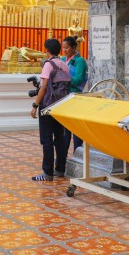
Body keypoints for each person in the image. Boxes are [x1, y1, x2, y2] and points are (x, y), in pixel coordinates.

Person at [29, 38, 72, 182]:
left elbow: (43, 87)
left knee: (46, 140)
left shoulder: (48, 64)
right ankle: (60, 169)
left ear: (47, 50)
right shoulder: (64, 65)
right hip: (61, 106)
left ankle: (47, 172)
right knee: (59, 138)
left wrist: (35, 105)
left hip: (47, 106)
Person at [62, 36, 88, 152]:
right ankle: (62, 156)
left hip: (75, 96)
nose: (65, 50)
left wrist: (64, 80)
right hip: (63, 96)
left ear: (73, 47)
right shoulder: (63, 60)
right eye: (63, 48)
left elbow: (79, 78)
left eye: (67, 48)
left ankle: (77, 153)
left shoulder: (79, 61)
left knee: (76, 128)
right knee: (64, 129)